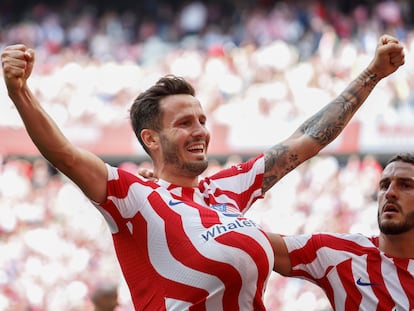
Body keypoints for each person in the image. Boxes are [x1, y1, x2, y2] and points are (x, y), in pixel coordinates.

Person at [0, 34, 404, 310]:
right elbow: (65, 154)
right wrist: (19, 91)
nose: (200, 131)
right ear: (151, 139)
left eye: (202, 119)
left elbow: (306, 141)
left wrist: (372, 75)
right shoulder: (135, 197)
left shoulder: (227, 189)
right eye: (184, 123)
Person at [268, 152, 414, 311]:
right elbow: (258, 243)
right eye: (384, 185)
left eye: (405, 185)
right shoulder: (339, 254)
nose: (389, 193)